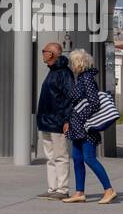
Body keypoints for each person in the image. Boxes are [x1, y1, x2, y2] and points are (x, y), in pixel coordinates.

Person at [60, 49, 117, 204]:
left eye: (72, 62)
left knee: (89, 158)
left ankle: (109, 190)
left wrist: (80, 117)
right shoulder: (81, 79)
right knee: (77, 158)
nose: (71, 65)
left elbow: (94, 103)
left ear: (79, 63)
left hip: (85, 127)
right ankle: (79, 192)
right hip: (77, 127)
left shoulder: (87, 79)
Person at [35, 41, 73, 200]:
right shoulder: (52, 71)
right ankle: (53, 188)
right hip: (46, 121)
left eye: (45, 51)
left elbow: (69, 98)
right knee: (50, 157)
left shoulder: (64, 73)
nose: (42, 53)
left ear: (51, 54)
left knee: (60, 156)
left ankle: (63, 189)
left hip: (58, 122)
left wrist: (67, 120)